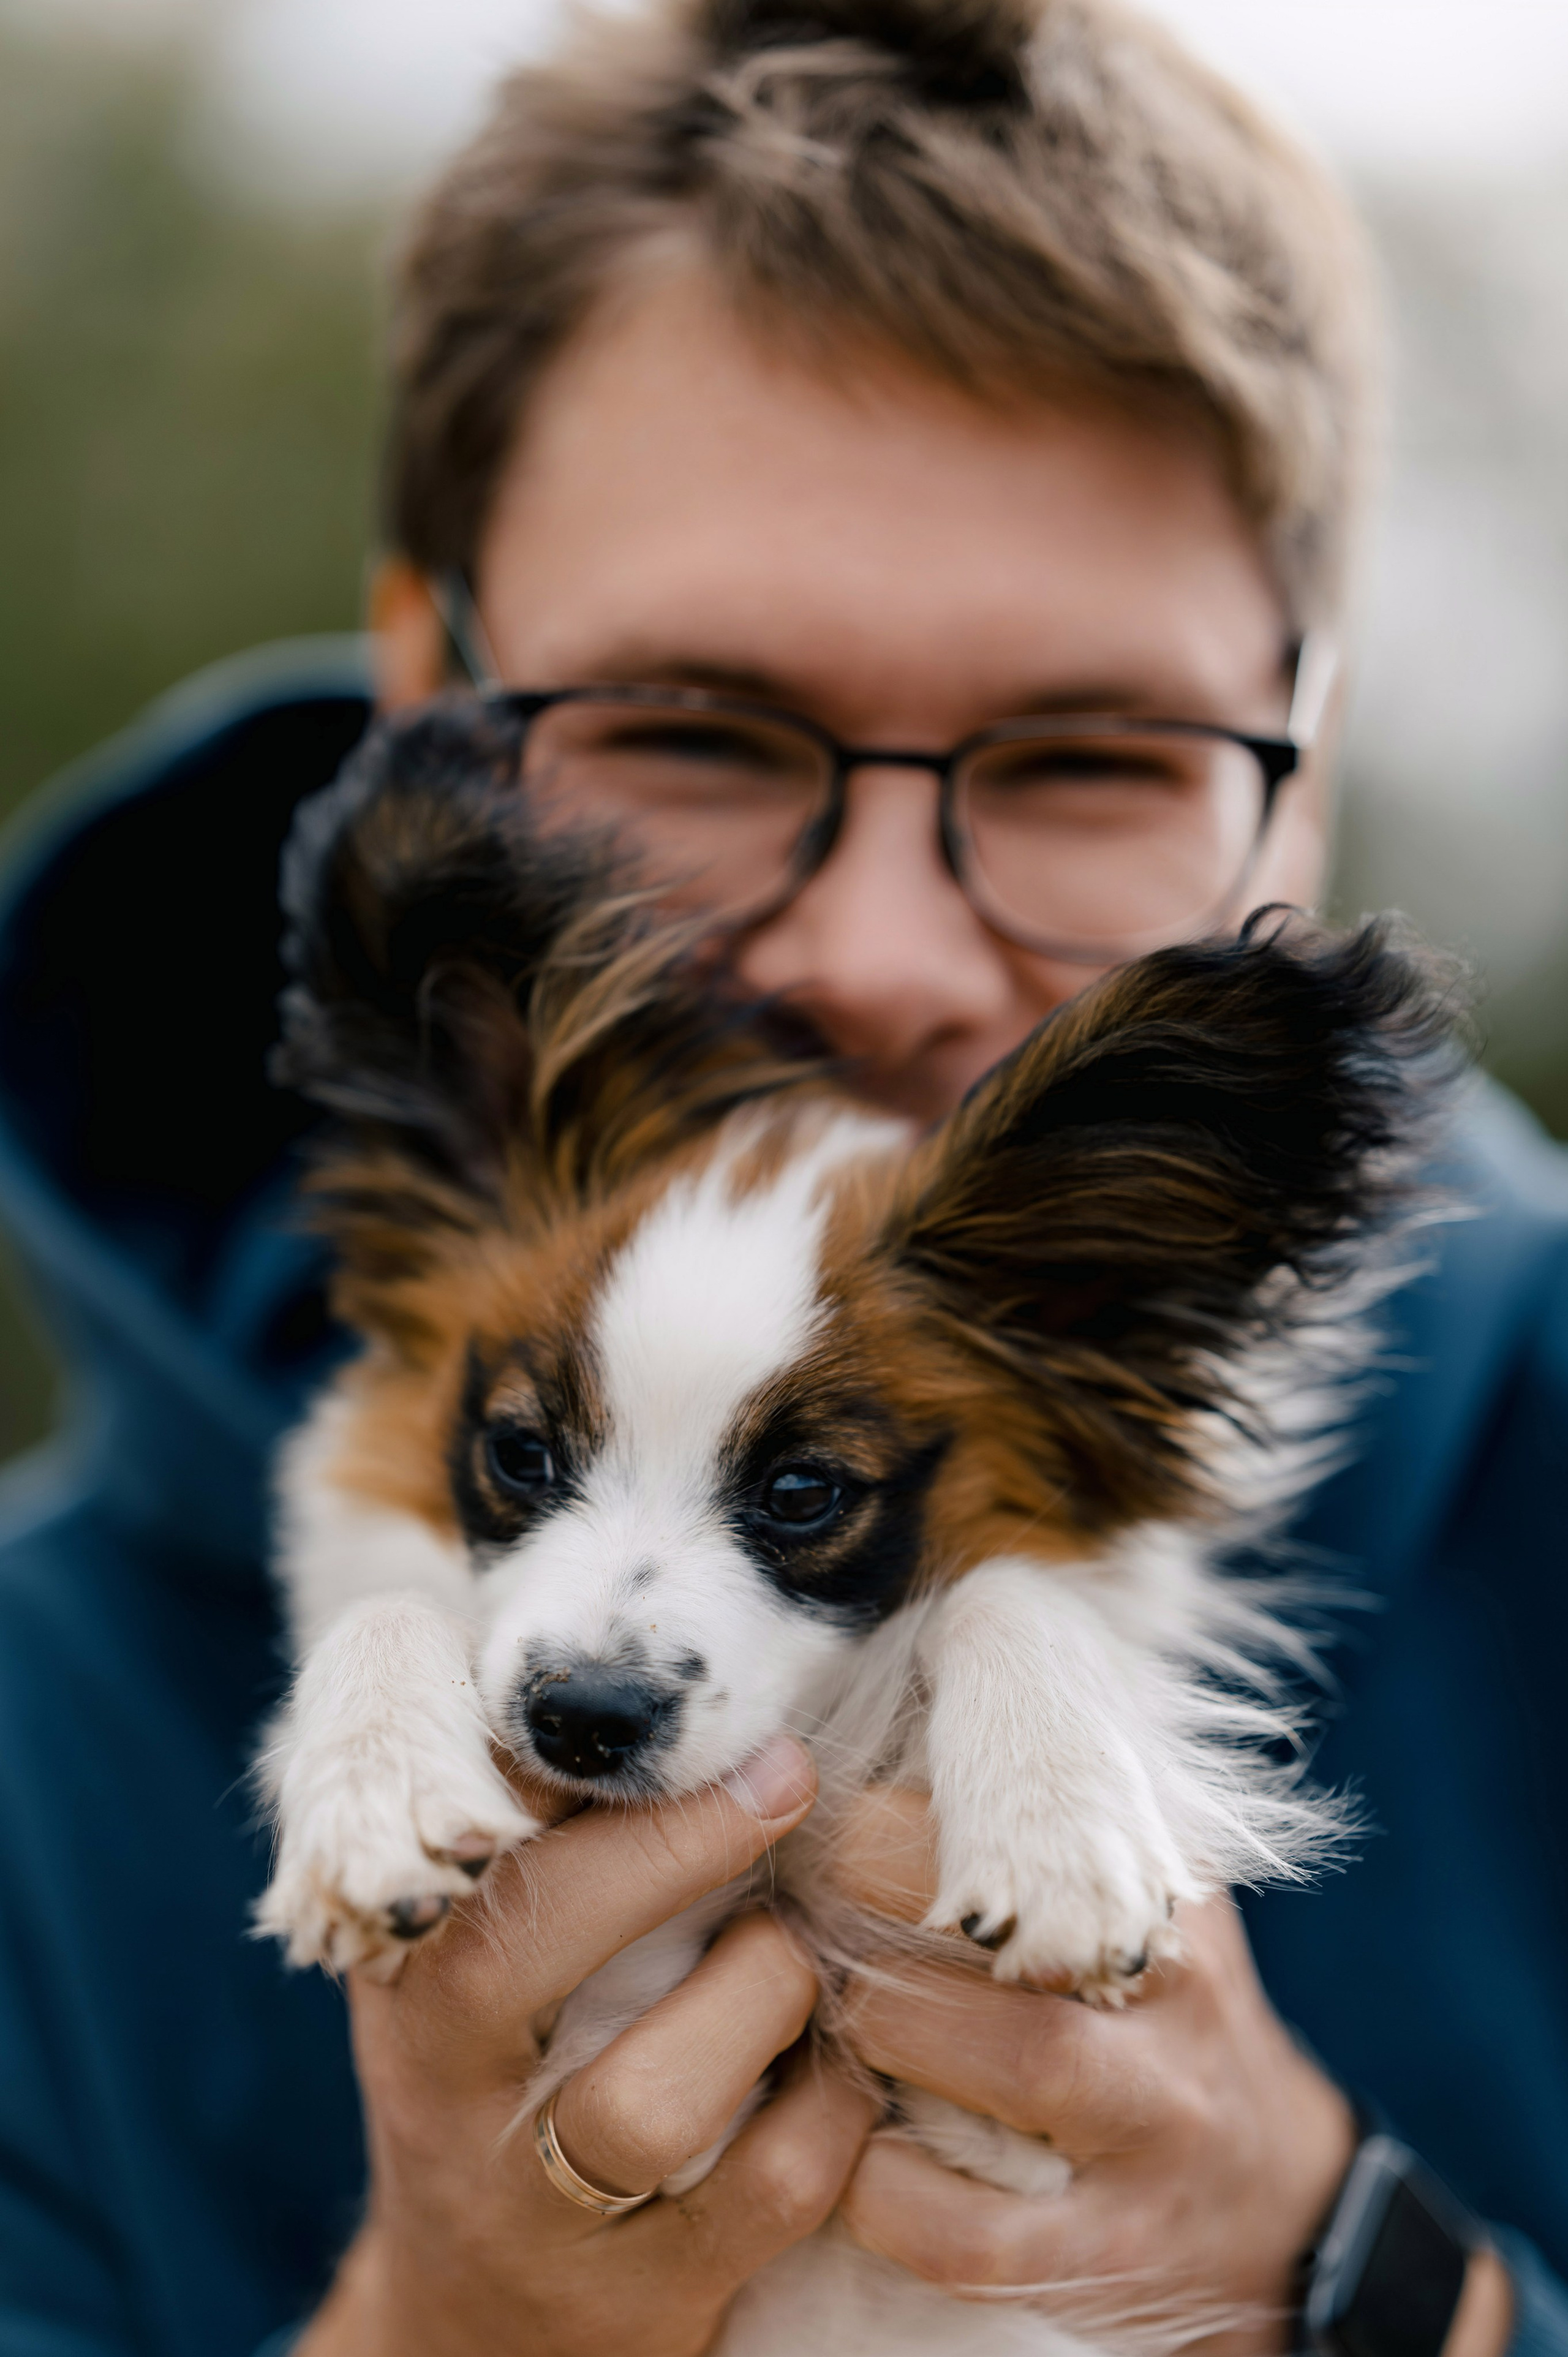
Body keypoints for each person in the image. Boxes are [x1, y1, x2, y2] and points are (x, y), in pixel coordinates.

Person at [0, 0, 1563, 2350]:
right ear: (425, 674)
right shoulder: (33, 1748)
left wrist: (1354, 2283)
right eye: (705, 729)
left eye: (1086, 753)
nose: (878, 947)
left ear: (1302, 768)